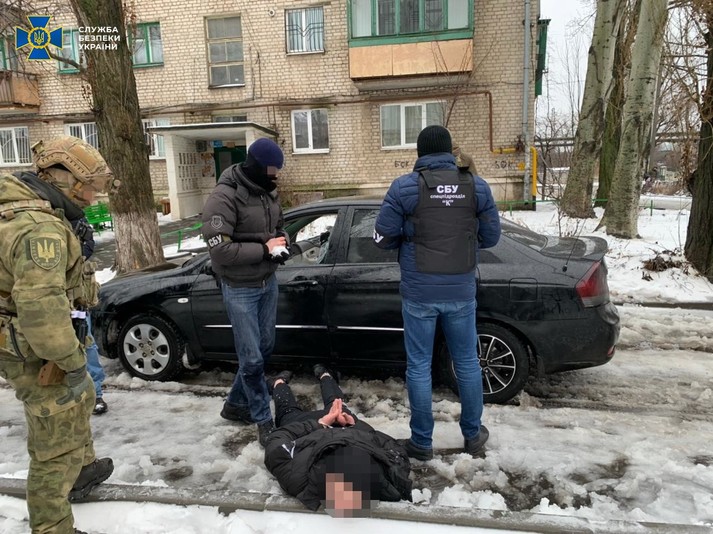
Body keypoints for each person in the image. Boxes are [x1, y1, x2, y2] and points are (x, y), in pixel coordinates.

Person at [0, 135, 116, 534]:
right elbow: (41, 309)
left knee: (79, 400)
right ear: (62, 178)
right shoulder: (40, 229)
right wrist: (70, 361)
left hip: (34, 335)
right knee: (54, 440)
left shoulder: (28, 209)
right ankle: (52, 526)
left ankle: (82, 470)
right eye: (89, 187)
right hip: (37, 346)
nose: (93, 197)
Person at [373, 125, 501, 461]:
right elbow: (491, 238)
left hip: (419, 293)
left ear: (420, 153)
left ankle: (421, 442)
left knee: (419, 366)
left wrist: (408, 233)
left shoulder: (404, 187)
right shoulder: (476, 186)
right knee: (468, 363)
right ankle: (473, 435)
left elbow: (382, 237)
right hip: (460, 290)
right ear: (448, 151)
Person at [201, 137, 290, 447]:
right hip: (239, 287)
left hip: (267, 281)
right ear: (255, 167)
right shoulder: (223, 197)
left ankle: (235, 404)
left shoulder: (268, 192)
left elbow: (278, 227)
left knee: (264, 348)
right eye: (271, 170)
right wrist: (264, 249)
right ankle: (262, 419)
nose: (275, 176)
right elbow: (220, 250)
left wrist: (282, 242)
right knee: (251, 359)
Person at [14, 170, 109, 416]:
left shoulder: (72, 215)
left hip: (76, 300)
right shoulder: (39, 224)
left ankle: (95, 391)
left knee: (86, 343)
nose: (89, 198)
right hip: (54, 306)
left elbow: (88, 246)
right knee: (55, 356)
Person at [263, 365, 413, 516]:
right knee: (336, 405)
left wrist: (320, 424)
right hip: (344, 426)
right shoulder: (388, 474)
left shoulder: (297, 479)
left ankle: (280, 382)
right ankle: (324, 375)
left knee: (289, 411)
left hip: (308, 427)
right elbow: (392, 447)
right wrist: (352, 424)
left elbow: (277, 440)